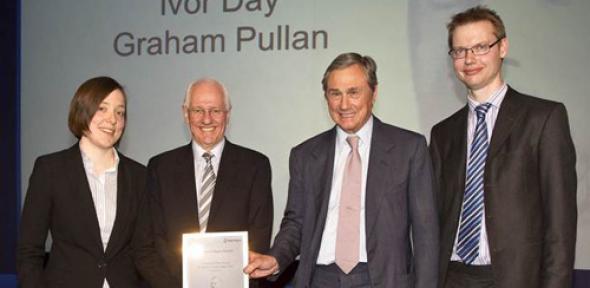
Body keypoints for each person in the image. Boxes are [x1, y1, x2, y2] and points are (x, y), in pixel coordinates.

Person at [245, 52, 439, 288]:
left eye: (353, 92)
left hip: (384, 280)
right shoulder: (305, 155)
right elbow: (296, 223)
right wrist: (275, 258)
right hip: (319, 279)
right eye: (335, 94)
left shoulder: (409, 148)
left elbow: (425, 233)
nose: (344, 104)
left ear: (374, 93)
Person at [429, 6, 577, 288]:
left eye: (480, 47)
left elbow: (561, 224)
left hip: (516, 279)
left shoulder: (544, 119)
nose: (469, 58)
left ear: (503, 47)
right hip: (452, 278)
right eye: (459, 51)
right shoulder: (442, 134)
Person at [136, 78, 273, 287]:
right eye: (198, 110)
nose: (207, 119)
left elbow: (259, 238)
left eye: (215, 110)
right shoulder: (159, 168)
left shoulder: (255, 166)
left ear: (228, 114)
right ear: (185, 113)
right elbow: (146, 245)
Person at [17, 76, 147, 287]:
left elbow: (143, 251)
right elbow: (29, 250)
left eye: (120, 112)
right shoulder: (50, 170)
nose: (112, 119)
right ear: (82, 110)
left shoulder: (139, 175)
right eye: (102, 108)